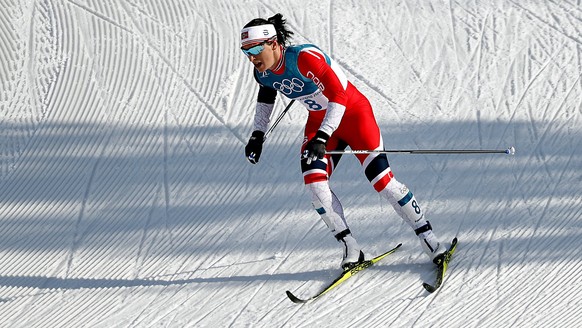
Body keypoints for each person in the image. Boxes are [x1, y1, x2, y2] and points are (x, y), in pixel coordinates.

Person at [241, 13, 445, 270]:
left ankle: (429, 239)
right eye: (245, 51)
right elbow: (266, 99)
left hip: (353, 116)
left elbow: (339, 95)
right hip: (320, 123)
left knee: (382, 182)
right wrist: (257, 135)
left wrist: (323, 136)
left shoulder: (305, 58)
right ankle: (351, 247)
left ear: (273, 43)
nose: (251, 56)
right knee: (314, 185)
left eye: (255, 49)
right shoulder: (263, 73)